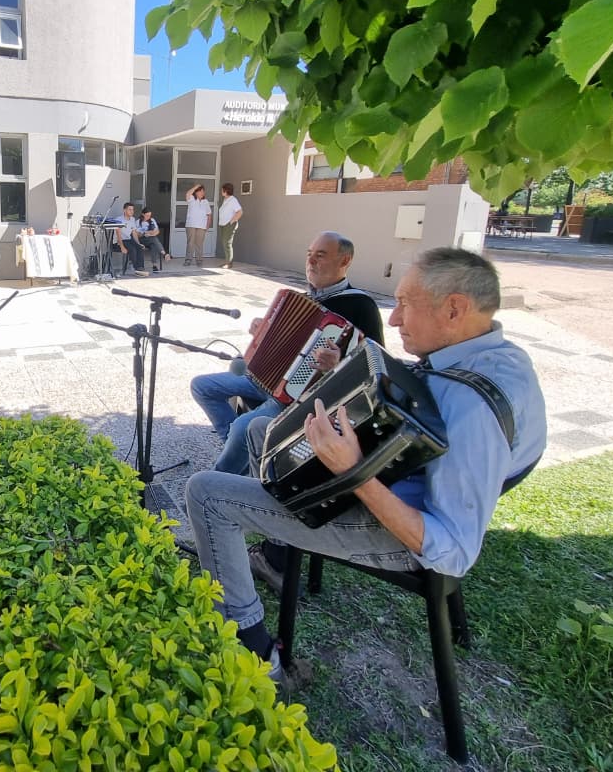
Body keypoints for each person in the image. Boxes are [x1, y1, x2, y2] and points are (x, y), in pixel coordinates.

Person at [184, 248, 547, 679]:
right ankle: (269, 545)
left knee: (206, 494)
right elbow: (418, 391)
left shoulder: (473, 409)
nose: (394, 320)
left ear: (454, 309)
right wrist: (340, 372)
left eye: (406, 305)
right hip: (393, 478)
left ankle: (256, 650)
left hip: (395, 528)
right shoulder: (494, 356)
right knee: (263, 433)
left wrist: (352, 472)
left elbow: (452, 552)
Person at [190, 231, 385, 475]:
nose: (311, 261)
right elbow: (276, 342)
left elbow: (377, 363)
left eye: (320, 256)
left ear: (345, 261)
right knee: (202, 386)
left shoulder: (360, 305)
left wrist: (339, 362)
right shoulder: (299, 299)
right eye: (309, 255)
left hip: (304, 397)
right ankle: (243, 452)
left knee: (241, 427)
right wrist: (260, 332)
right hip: (265, 382)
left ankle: (219, 479)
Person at [115, 202, 150, 276]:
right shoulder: (118, 219)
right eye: (129, 209)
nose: (132, 211)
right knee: (132, 249)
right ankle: (136, 269)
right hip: (120, 241)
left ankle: (140, 268)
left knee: (139, 247)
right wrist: (122, 247)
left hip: (128, 239)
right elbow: (118, 234)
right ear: (124, 210)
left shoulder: (132, 219)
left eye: (133, 210)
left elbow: (134, 232)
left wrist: (138, 243)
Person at [216, 183, 243, 269]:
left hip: (229, 225)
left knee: (227, 243)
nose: (221, 191)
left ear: (226, 190)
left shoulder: (233, 200)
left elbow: (240, 212)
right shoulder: (225, 199)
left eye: (222, 190)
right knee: (224, 243)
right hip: (223, 224)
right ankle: (227, 261)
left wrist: (232, 221)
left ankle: (229, 263)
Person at [184, 184, 211, 266]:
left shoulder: (205, 202)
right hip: (191, 225)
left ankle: (199, 261)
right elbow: (188, 194)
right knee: (190, 243)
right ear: (196, 192)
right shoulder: (191, 199)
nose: (203, 193)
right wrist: (195, 187)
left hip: (202, 226)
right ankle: (188, 260)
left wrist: (207, 226)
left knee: (199, 244)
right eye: (201, 191)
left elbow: (209, 214)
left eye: (203, 191)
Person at [137, 206, 169, 272]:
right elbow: (137, 234)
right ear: (143, 214)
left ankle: (154, 265)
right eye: (147, 215)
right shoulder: (138, 222)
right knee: (154, 239)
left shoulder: (152, 220)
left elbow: (157, 231)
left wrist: (151, 233)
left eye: (150, 215)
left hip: (151, 239)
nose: (149, 217)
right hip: (142, 240)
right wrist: (146, 233)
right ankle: (164, 254)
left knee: (154, 245)